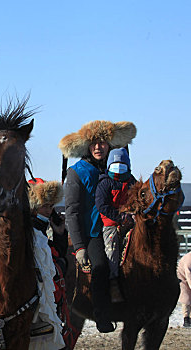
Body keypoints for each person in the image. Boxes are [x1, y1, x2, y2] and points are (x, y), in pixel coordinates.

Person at [58, 120, 136, 333]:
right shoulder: (77, 172)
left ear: (110, 144)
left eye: (102, 142)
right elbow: (72, 212)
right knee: (100, 268)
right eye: (94, 143)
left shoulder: (121, 170)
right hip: (92, 233)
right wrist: (80, 246)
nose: (98, 147)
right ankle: (102, 317)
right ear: (87, 146)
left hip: (122, 227)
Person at [95, 147, 136, 303]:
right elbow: (101, 205)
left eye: (122, 164)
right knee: (112, 250)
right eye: (115, 164)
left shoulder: (132, 181)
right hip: (110, 223)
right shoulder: (105, 182)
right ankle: (113, 281)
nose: (119, 168)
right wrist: (119, 217)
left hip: (130, 221)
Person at [28, 178, 68, 336]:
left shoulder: (43, 227)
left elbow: (59, 252)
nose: (49, 211)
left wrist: (59, 233)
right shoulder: (28, 229)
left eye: (51, 206)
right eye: (45, 206)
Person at [177, 251, 191, 328]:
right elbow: (188, 274)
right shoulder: (189, 260)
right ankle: (186, 318)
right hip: (182, 276)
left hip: (189, 275)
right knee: (186, 298)